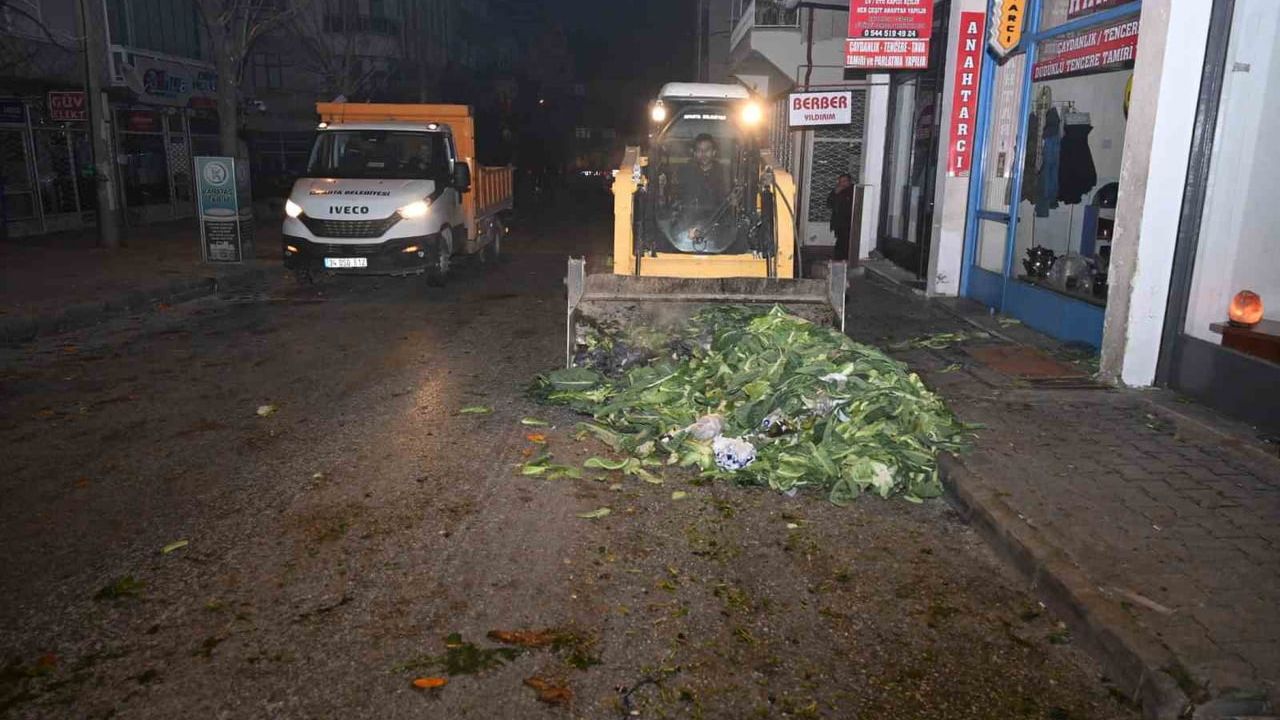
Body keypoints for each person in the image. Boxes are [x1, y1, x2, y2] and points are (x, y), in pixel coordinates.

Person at [675, 133, 726, 216]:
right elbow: (677, 198)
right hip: (688, 222)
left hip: (718, 221)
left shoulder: (725, 174)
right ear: (694, 153)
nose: (703, 153)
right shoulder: (685, 172)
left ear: (714, 152)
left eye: (707, 150)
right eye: (699, 150)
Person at [826, 172, 855, 262]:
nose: (842, 183)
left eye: (844, 181)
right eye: (840, 181)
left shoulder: (853, 191)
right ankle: (839, 259)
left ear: (849, 182)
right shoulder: (837, 191)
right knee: (840, 241)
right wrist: (835, 193)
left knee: (846, 241)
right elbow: (829, 204)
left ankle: (845, 258)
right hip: (839, 222)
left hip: (849, 222)